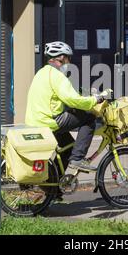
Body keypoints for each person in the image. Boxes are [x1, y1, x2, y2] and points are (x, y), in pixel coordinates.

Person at [25, 41, 106, 173]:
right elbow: (72, 99)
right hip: (50, 122)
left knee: (67, 149)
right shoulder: (57, 76)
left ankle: (54, 192)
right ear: (61, 58)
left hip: (36, 120)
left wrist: (84, 93)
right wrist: (94, 100)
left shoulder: (42, 72)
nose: (69, 62)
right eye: (69, 58)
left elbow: (67, 94)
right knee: (89, 117)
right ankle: (78, 159)